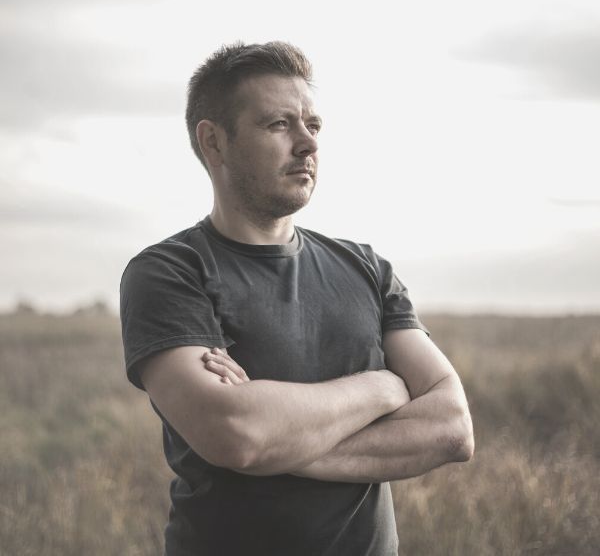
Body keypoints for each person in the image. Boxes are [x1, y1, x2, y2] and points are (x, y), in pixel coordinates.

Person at [120, 41, 474, 556]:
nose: (308, 143)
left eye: (314, 125)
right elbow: (236, 433)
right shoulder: (171, 272)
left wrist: (278, 441)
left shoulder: (366, 268)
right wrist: (384, 388)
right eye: (279, 125)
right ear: (214, 142)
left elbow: (452, 428)